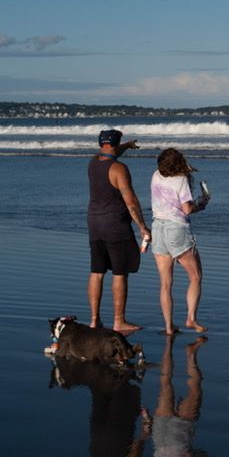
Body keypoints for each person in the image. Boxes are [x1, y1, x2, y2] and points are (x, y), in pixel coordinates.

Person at [88, 129, 151, 333]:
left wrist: (126, 146)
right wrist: (142, 226)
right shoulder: (119, 169)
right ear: (115, 144)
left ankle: (94, 319)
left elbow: (111, 153)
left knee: (97, 272)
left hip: (94, 224)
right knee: (119, 272)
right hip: (115, 226)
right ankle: (118, 320)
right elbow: (130, 201)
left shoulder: (93, 162)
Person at [149, 147, 210, 334]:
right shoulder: (181, 180)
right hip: (176, 230)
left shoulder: (156, 175)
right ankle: (191, 318)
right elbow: (187, 209)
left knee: (165, 283)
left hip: (158, 228)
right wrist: (202, 203)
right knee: (195, 276)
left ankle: (168, 326)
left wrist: (185, 171)